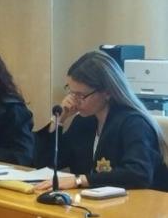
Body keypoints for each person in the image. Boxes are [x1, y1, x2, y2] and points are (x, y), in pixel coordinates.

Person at [34, 51, 168, 191]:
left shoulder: (135, 124)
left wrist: (80, 180)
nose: (73, 101)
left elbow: (138, 174)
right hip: (95, 201)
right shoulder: (84, 122)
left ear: (107, 92)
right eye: (71, 92)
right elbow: (45, 164)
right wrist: (58, 120)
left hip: (145, 202)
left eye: (80, 95)